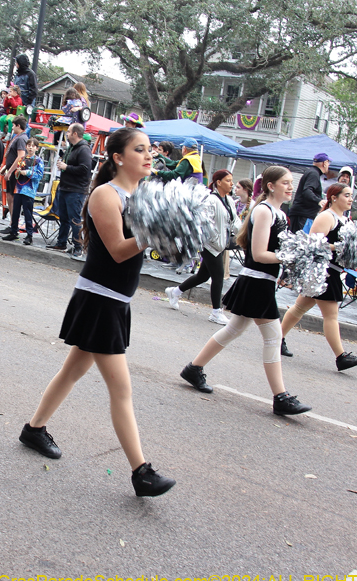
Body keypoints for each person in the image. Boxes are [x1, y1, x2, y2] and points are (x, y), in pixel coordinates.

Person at [18, 127, 176, 497]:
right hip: (100, 298)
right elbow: (120, 250)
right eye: (140, 150)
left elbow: (145, 250)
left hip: (116, 300)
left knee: (72, 370)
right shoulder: (107, 195)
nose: (149, 155)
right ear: (118, 157)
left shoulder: (143, 195)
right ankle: (141, 472)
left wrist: (173, 237)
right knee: (121, 389)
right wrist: (156, 232)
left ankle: (34, 429)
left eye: (150, 149)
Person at [179, 166, 311, 417]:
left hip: (263, 281)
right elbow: (260, 254)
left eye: (291, 182)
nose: (290, 187)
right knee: (273, 337)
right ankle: (280, 397)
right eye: (285, 182)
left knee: (234, 329)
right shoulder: (263, 211)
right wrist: (291, 257)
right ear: (271, 186)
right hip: (257, 281)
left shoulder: (278, 212)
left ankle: (193, 368)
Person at [279, 184, 357, 370]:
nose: (351, 199)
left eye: (352, 196)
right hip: (323, 270)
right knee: (331, 315)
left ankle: (276, 340)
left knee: (299, 308)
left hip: (332, 269)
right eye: (347, 195)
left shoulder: (344, 219)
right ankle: (341, 356)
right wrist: (338, 247)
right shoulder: (327, 216)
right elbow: (312, 244)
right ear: (334, 197)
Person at [166, 170, 240, 324]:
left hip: (220, 245)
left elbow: (235, 222)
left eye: (232, 180)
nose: (231, 184)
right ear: (218, 182)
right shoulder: (211, 200)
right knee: (218, 277)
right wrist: (213, 240)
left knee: (203, 276)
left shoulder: (229, 200)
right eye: (228, 180)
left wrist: (243, 235)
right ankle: (216, 312)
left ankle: (175, 292)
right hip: (210, 245)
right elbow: (205, 222)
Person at [47, 123, 93, 257]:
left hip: (76, 189)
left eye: (68, 132)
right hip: (65, 187)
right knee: (64, 217)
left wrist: (66, 167)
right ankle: (61, 242)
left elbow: (85, 169)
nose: (66, 134)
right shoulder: (71, 148)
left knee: (75, 219)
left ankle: (78, 246)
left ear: (75, 134)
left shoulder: (84, 149)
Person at [3, 137, 44, 244]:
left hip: (29, 191)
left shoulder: (38, 161)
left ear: (37, 148)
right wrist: (17, 173)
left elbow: (39, 175)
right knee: (15, 212)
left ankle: (29, 235)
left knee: (27, 213)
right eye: (29, 145)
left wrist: (28, 173)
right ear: (26, 147)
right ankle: (13, 231)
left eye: (33, 146)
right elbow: (17, 173)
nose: (30, 148)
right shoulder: (22, 159)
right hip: (18, 189)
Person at [287, 153, 329, 233]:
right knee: (301, 242)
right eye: (328, 163)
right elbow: (307, 191)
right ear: (325, 163)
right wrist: (319, 201)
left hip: (301, 214)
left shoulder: (312, 172)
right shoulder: (313, 174)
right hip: (303, 215)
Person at [0, 116, 28, 230]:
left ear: (18, 126)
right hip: (11, 169)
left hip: (15, 172)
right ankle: (12, 222)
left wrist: (10, 171)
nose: (12, 128)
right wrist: (5, 168)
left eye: (13, 125)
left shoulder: (21, 139)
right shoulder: (17, 137)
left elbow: (20, 156)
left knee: (12, 197)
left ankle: (13, 223)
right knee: (10, 196)